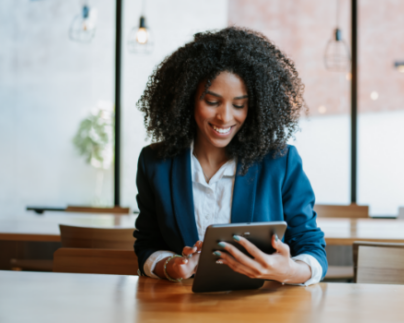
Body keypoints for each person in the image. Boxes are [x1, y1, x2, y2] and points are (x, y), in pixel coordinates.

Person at [134, 27, 327, 285]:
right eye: (212, 101)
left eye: (239, 105)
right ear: (186, 98)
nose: (225, 117)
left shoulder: (281, 162)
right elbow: (147, 244)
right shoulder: (155, 163)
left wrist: (290, 270)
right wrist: (170, 266)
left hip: (261, 310)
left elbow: (313, 248)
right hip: (181, 310)